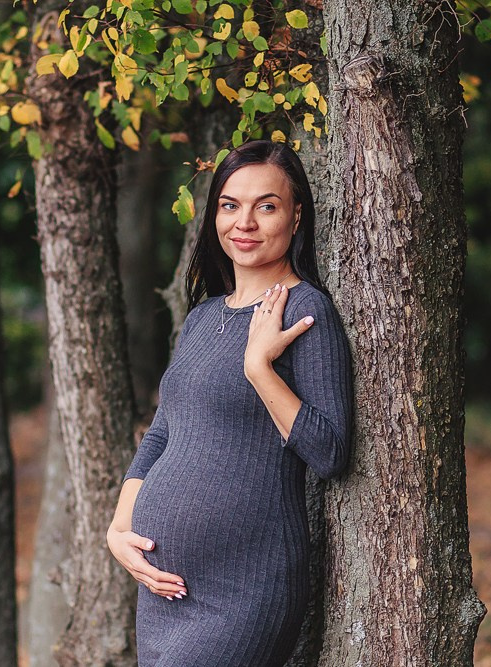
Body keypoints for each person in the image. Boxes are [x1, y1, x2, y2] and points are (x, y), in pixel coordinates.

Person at [106, 139, 353, 666]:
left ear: (296, 215)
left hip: (245, 589)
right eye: (230, 205)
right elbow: (163, 431)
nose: (245, 222)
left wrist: (259, 369)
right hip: (164, 590)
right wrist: (119, 529)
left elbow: (330, 451)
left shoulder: (306, 310)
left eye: (267, 205)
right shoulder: (202, 317)